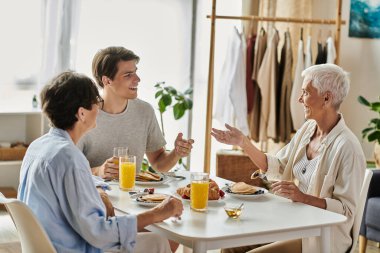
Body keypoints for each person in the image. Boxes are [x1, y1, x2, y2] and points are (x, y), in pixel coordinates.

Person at [18, 72, 183, 253]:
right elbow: (99, 233)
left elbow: (68, 187)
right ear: (82, 113)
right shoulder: (70, 157)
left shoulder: (38, 147)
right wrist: (158, 212)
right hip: (75, 248)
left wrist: (96, 187)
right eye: (96, 103)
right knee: (162, 239)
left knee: (153, 235)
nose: (99, 108)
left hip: (51, 243)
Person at [211, 64, 366, 253]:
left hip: (320, 237)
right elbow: (278, 166)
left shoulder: (348, 148)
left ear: (326, 98)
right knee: (229, 246)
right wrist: (244, 143)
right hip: (292, 222)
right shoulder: (308, 130)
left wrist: (302, 197)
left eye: (305, 93)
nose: (300, 99)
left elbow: (346, 210)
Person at [77, 46, 194, 179]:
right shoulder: (84, 114)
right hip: (94, 196)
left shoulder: (145, 112)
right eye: (128, 75)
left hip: (133, 197)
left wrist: (176, 153)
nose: (137, 79)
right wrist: (98, 171)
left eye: (135, 72)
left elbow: (158, 163)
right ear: (107, 80)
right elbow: (68, 170)